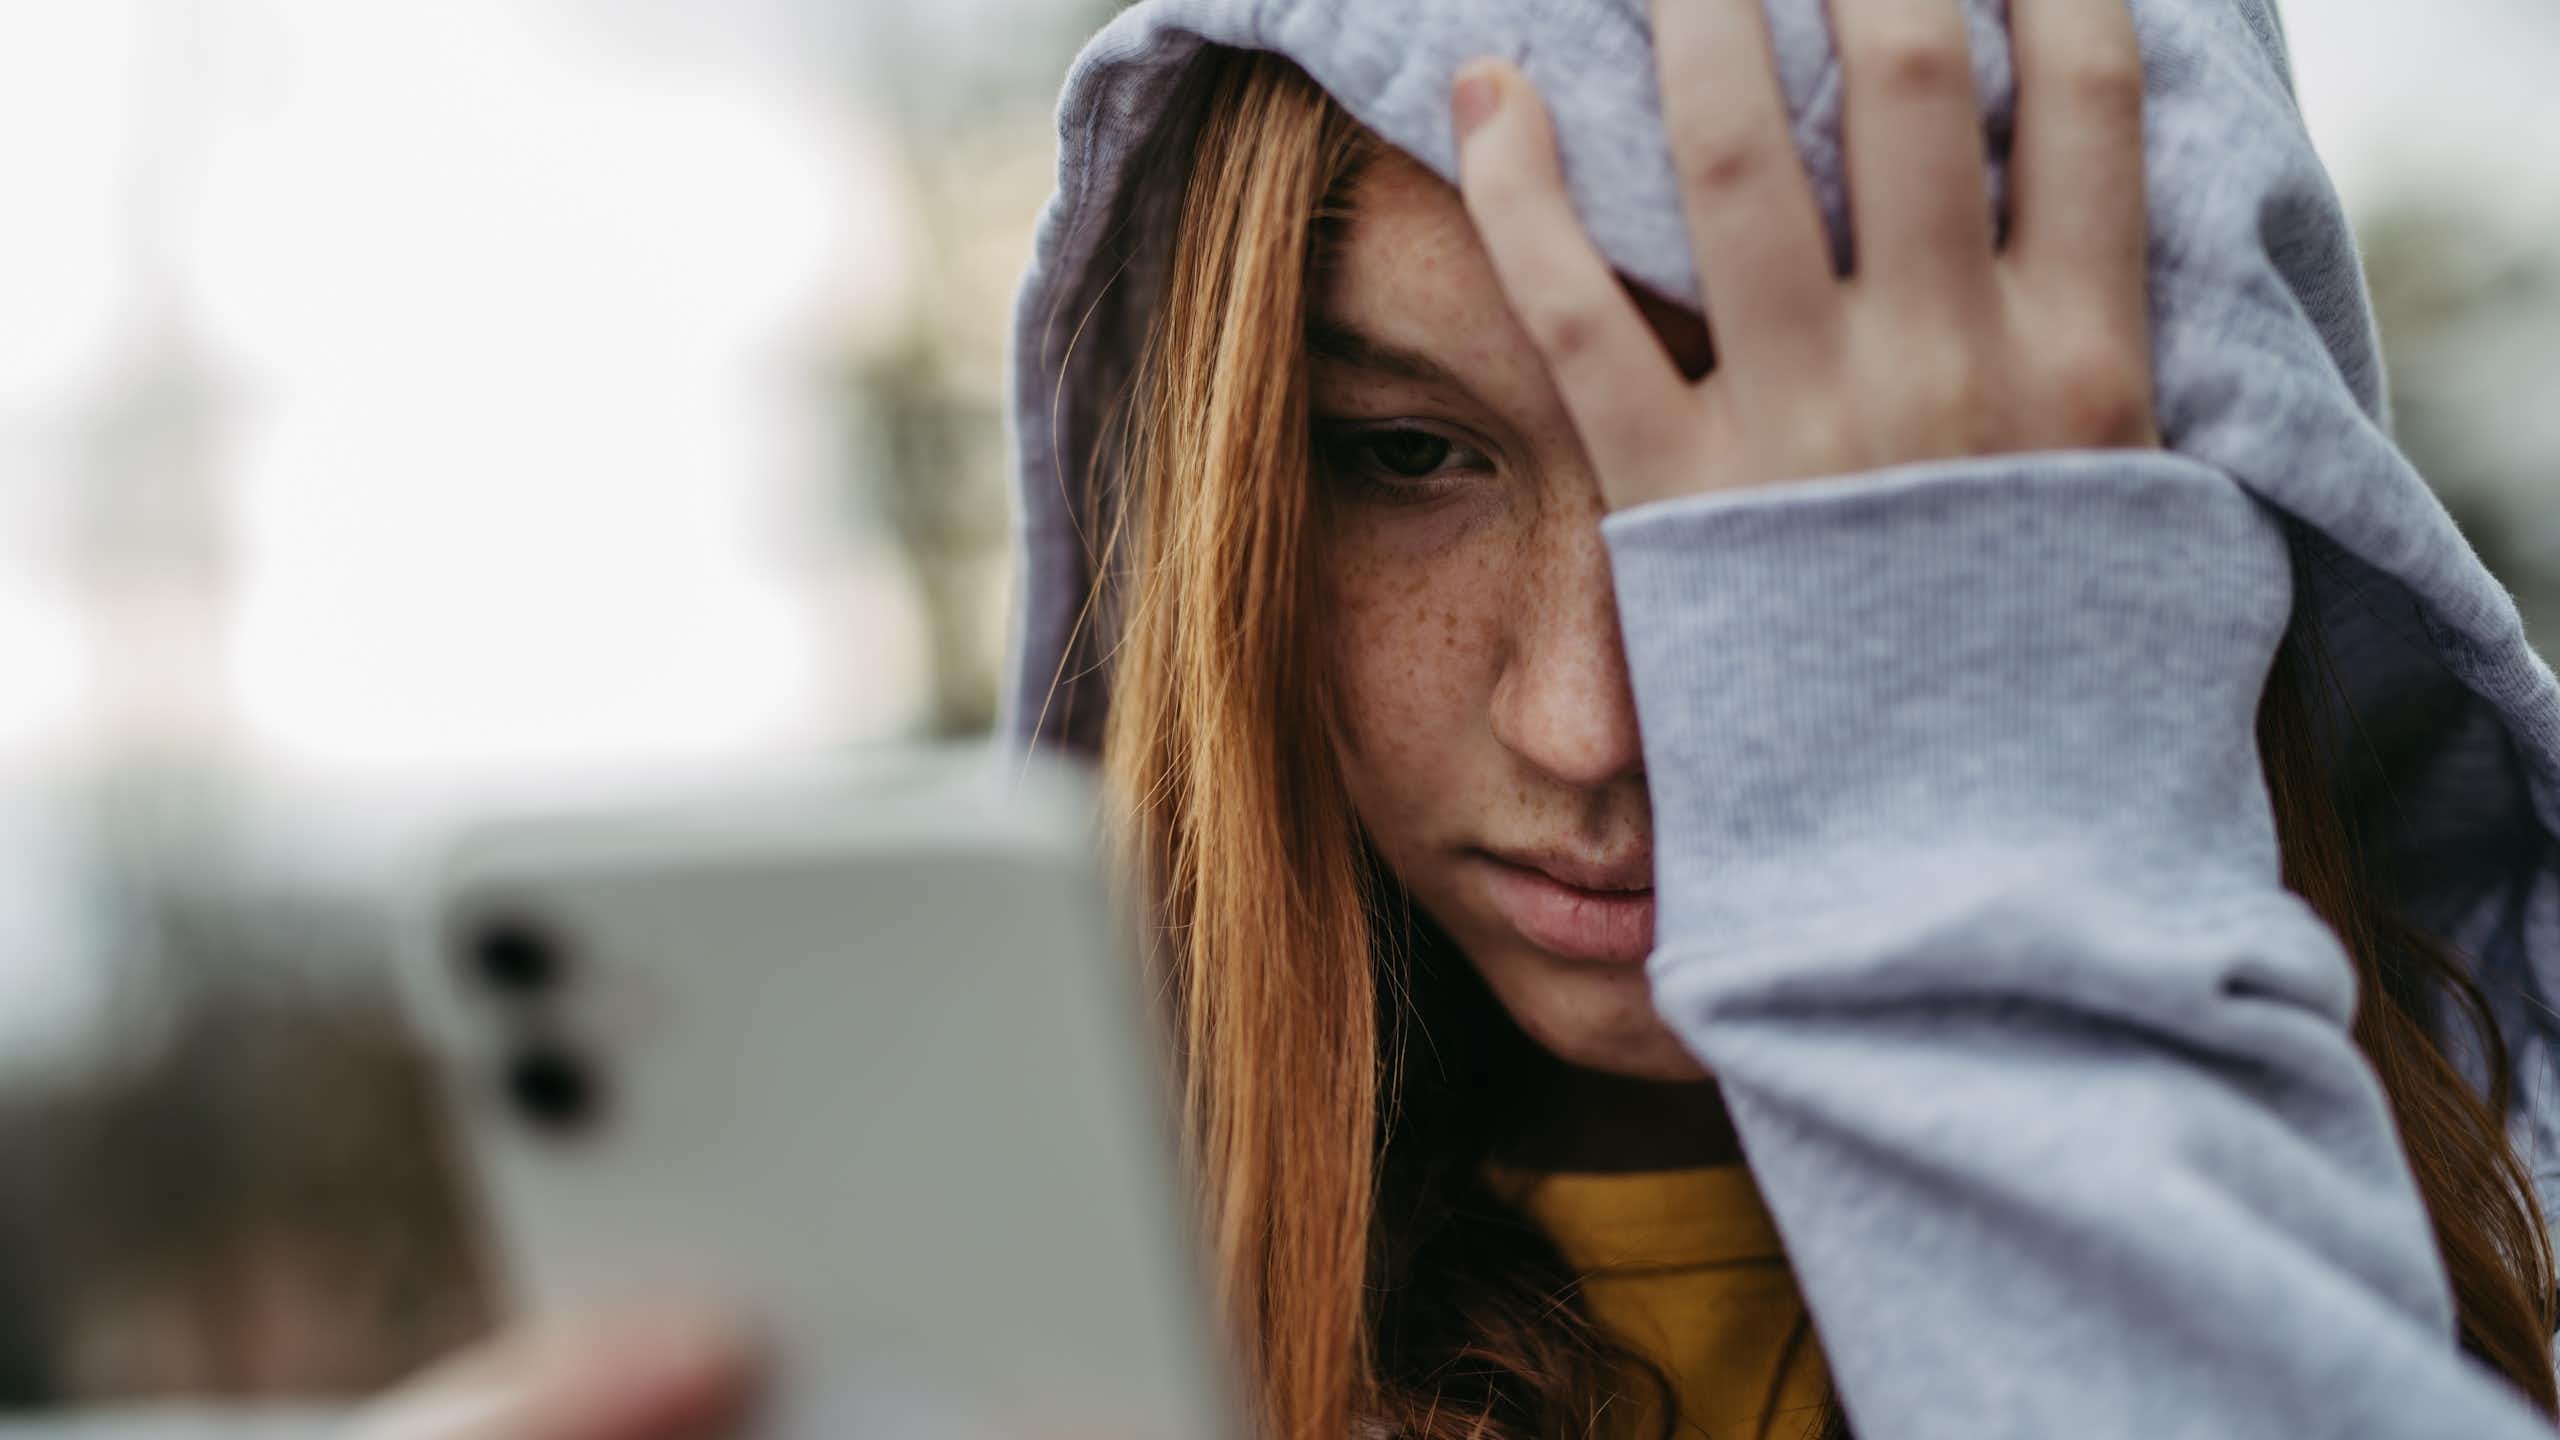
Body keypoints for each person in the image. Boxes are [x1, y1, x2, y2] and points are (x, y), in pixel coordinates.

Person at [360, 0, 2560, 1435]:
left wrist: (1966, 889)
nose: (1589, 724)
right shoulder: (1013, 1340)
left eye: (1824, 520)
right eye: (1405, 455)